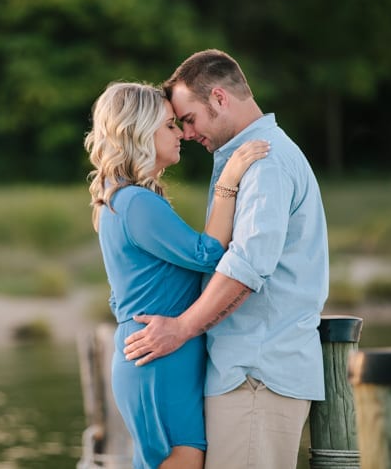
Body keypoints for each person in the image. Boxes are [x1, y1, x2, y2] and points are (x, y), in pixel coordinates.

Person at [122, 49, 329, 469]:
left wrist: (180, 329)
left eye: (190, 119)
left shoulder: (265, 162)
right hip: (246, 374)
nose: (187, 132)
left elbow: (246, 268)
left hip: (257, 373)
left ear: (219, 98)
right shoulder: (248, 159)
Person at [84, 81, 269, 469]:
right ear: (139, 130)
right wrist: (228, 181)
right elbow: (207, 254)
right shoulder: (134, 202)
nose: (182, 133)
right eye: (170, 125)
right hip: (159, 359)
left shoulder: (121, 197)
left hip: (159, 355)